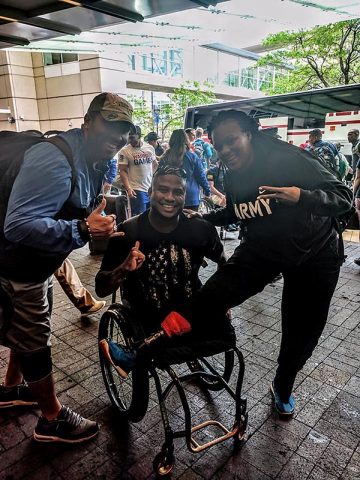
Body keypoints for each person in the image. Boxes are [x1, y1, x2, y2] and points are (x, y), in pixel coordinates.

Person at [167, 110, 351, 417]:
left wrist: (301, 196)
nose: (225, 150)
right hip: (265, 249)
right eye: (219, 145)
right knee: (214, 294)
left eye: (231, 141)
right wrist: (207, 218)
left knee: (303, 330)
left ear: (249, 135)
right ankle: (148, 348)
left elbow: (343, 195)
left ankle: (283, 384)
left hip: (316, 254)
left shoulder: (289, 158)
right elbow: (241, 209)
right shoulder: (231, 171)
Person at [0, 92, 134, 443]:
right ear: (88, 122)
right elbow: (17, 225)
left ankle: (12, 388)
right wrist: (83, 229)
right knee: (34, 340)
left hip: (38, 262)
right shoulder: (55, 160)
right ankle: (51, 419)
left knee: (26, 329)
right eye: (111, 125)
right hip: (20, 266)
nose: (118, 137)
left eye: (124, 130)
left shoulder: (92, 159)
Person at [95, 165, 234, 376]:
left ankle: (138, 356)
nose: (169, 197)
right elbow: (101, 288)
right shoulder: (128, 232)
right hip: (147, 315)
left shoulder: (199, 228)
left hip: (192, 310)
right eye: (162, 190)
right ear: (150, 192)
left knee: (226, 336)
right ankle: (143, 354)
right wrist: (123, 268)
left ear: (185, 196)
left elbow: (225, 262)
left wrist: (223, 299)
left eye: (177, 192)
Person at [159, 129, 210, 211]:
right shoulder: (193, 156)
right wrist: (207, 190)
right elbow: (201, 176)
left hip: (170, 196)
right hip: (191, 197)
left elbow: (159, 176)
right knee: (190, 222)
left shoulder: (165, 156)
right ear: (186, 140)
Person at [118, 125, 157, 216]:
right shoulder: (124, 151)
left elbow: (155, 164)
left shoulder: (150, 148)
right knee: (139, 217)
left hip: (150, 188)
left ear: (139, 135)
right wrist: (128, 188)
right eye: (128, 137)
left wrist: (150, 176)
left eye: (132, 137)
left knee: (151, 216)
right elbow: (122, 170)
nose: (129, 140)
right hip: (136, 189)